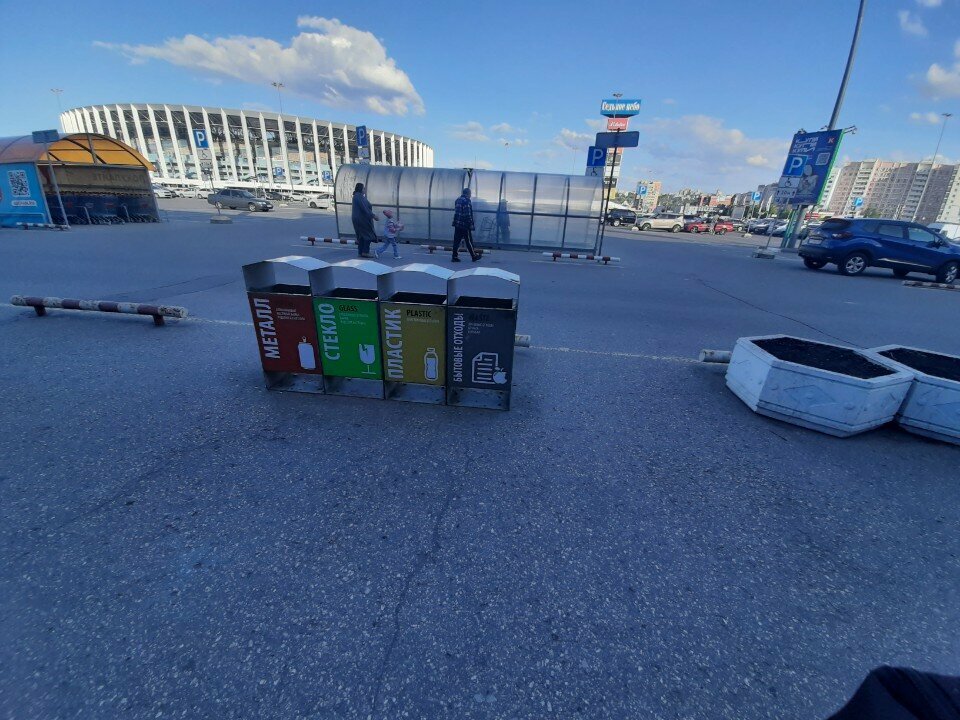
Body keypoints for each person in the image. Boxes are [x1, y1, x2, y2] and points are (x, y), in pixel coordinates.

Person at [451, 187, 480, 262]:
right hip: (464, 224)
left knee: (456, 241)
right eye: (470, 194)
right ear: (468, 193)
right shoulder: (466, 201)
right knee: (468, 240)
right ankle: (473, 256)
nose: (470, 195)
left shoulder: (457, 200)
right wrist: (470, 224)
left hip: (457, 223)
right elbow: (467, 214)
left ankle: (454, 257)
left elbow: (457, 211)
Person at [351, 183, 377, 258]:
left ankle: (361, 252)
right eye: (364, 188)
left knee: (361, 236)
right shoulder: (359, 197)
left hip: (359, 219)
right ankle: (365, 252)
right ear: (361, 189)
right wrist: (373, 216)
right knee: (368, 235)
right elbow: (364, 208)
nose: (365, 190)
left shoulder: (358, 196)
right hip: (361, 219)